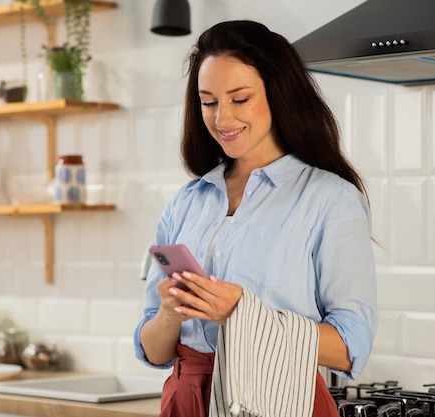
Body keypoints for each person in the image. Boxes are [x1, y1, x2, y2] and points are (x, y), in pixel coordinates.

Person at [134, 20, 377, 417]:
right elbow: (153, 351)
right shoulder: (186, 202)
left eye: (240, 98)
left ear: (278, 95)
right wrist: (169, 313)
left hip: (281, 399)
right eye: (208, 102)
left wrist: (243, 315)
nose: (222, 118)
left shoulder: (330, 198)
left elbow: (351, 347)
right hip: (185, 398)